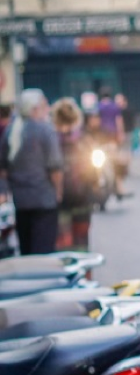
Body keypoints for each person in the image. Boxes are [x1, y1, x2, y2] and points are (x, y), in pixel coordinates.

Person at [0, 89, 63, 255]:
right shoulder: (45, 130)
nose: (47, 109)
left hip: (21, 202)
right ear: (34, 108)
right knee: (43, 253)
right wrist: (58, 192)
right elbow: (55, 167)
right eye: (44, 105)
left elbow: (3, 169)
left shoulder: (11, 131)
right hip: (44, 201)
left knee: (27, 252)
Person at [50, 98, 96, 251]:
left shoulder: (52, 140)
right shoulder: (83, 139)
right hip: (82, 198)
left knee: (64, 243)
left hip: (59, 199)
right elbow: (94, 170)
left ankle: (66, 273)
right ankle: (83, 274)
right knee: (82, 242)